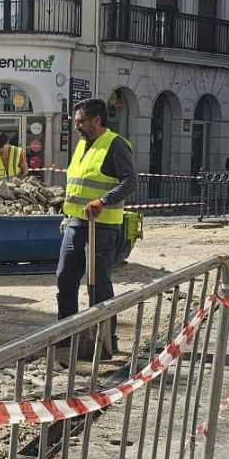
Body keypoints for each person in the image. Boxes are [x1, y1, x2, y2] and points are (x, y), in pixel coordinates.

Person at [58, 98, 138, 328]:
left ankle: (103, 338)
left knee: (98, 284)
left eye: (81, 122)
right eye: (75, 122)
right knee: (65, 278)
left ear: (97, 120)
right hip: (75, 222)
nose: (77, 127)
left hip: (102, 226)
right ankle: (65, 334)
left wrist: (103, 201)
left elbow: (130, 182)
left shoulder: (115, 144)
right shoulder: (83, 144)